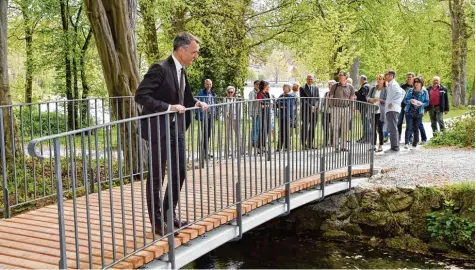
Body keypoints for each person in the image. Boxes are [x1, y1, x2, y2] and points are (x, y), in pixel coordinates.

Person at [135, 32, 208, 234]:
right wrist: (168, 107)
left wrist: (196, 103)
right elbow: (141, 96)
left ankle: (169, 215)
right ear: (182, 50)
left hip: (176, 129)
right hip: (159, 128)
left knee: (180, 172)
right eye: (194, 52)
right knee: (157, 176)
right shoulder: (160, 68)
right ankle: (158, 223)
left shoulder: (181, 70)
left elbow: (185, 97)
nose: (196, 56)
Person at [329, 70, 355, 152]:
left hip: (346, 109)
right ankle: (336, 146)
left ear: (346, 77)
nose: (340, 77)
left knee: (345, 128)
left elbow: (352, 99)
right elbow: (331, 97)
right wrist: (331, 107)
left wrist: (352, 108)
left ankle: (343, 146)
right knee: (335, 127)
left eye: (342, 76)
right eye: (339, 76)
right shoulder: (335, 86)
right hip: (336, 108)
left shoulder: (350, 87)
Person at [400, 72, 427, 144]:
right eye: (408, 77)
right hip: (408, 109)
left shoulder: (424, 91)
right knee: (409, 126)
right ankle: (408, 141)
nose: (409, 79)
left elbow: (426, 102)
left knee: (418, 125)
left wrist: (421, 104)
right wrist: (410, 101)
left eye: (411, 77)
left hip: (419, 111)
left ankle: (423, 139)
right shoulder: (406, 88)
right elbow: (405, 99)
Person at [383, 70, 405, 153]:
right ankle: (394, 145)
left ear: (391, 76)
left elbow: (399, 93)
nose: (385, 76)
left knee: (393, 128)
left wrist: (393, 102)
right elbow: (403, 92)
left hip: (392, 109)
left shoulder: (394, 84)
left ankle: (395, 146)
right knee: (392, 127)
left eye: (386, 75)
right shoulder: (391, 84)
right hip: (391, 109)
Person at [195, 79, 216, 159]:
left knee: (208, 134)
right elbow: (197, 101)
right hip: (203, 116)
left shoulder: (213, 93)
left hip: (210, 116)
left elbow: (214, 103)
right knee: (205, 134)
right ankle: (203, 153)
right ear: (204, 85)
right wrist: (200, 113)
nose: (209, 86)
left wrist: (215, 113)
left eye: (210, 84)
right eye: (207, 84)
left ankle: (205, 152)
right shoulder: (201, 92)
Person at [367, 74, 387, 152]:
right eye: (378, 79)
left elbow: (387, 100)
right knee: (373, 129)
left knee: (380, 129)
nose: (378, 80)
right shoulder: (373, 89)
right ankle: (373, 145)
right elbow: (367, 97)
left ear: (383, 80)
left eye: (380, 79)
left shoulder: (386, 90)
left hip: (381, 111)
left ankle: (380, 145)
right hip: (372, 110)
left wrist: (381, 100)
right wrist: (372, 100)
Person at [299, 74, 320, 149]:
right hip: (306, 110)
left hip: (315, 111)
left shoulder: (316, 88)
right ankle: (303, 144)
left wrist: (315, 107)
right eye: (309, 79)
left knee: (312, 128)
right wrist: (311, 106)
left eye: (311, 79)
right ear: (306, 79)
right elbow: (303, 99)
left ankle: (310, 143)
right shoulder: (302, 88)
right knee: (304, 127)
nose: (310, 80)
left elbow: (318, 99)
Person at [277, 84, 294, 151]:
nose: (283, 88)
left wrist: (282, 104)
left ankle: (287, 147)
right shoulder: (281, 95)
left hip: (287, 116)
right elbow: (277, 103)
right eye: (283, 87)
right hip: (281, 116)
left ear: (289, 89)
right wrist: (281, 104)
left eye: (285, 87)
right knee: (280, 131)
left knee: (287, 131)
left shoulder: (291, 96)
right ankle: (279, 147)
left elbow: (288, 104)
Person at [257, 81, 271, 153]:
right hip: (262, 113)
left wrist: (268, 106)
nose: (268, 86)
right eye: (267, 85)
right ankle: (259, 147)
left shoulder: (267, 93)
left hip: (268, 112)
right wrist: (267, 105)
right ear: (264, 86)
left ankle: (264, 146)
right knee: (262, 129)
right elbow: (258, 104)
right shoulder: (259, 94)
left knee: (267, 129)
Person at [356, 75, 371, 142]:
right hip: (365, 107)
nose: (359, 81)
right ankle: (365, 137)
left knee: (365, 123)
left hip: (364, 107)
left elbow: (364, 97)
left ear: (362, 79)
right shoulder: (368, 86)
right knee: (365, 122)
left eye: (360, 79)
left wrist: (356, 93)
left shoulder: (365, 87)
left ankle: (366, 138)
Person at [321, 80, 336, 147]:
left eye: (332, 84)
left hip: (333, 112)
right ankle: (326, 142)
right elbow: (323, 102)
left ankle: (332, 142)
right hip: (325, 112)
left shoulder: (336, 94)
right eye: (329, 84)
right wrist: (322, 110)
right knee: (325, 127)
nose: (330, 86)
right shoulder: (326, 93)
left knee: (333, 127)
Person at [225, 86, 238, 156]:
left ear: (233, 92)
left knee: (238, 134)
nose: (230, 93)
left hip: (235, 118)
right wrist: (226, 113)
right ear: (227, 92)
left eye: (231, 92)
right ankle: (229, 150)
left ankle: (240, 149)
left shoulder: (236, 99)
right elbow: (224, 109)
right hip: (228, 118)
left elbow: (239, 109)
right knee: (229, 135)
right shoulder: (224, 99)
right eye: (229, 92)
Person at [248, 80, 261, 147]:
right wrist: (250, 113)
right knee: (255, 127)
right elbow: (251, 103)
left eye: (259, 84)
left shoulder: (261, 92)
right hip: (254, 112)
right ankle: (253, 141)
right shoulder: (252, 93)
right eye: (257, 84)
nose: (258, 86)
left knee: (258, 127)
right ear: (254, 85)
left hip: (260, 112)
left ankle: (256, 140)